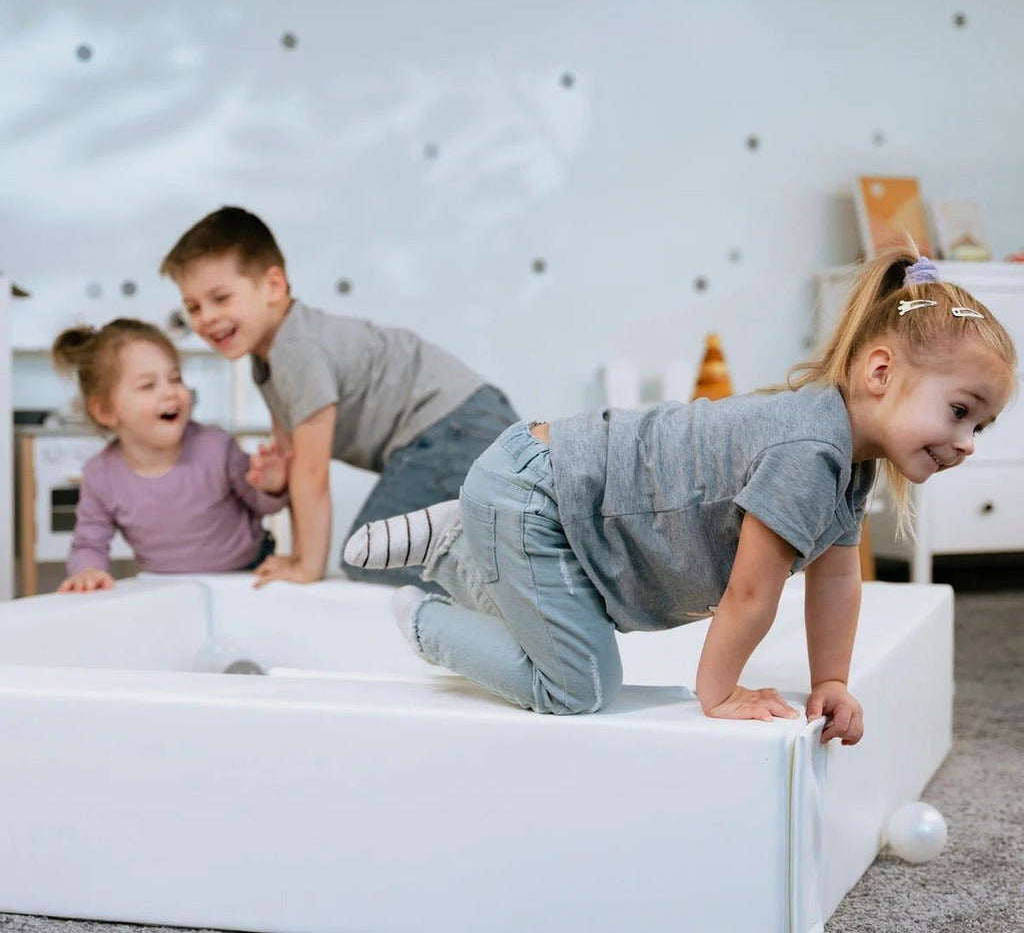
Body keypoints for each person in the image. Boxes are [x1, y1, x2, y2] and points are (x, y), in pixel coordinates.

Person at [344, 248, 1017, 739]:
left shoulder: (848, 462)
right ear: (879, 371)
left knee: (573, 631)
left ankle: (468, 542)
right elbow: (752, 592)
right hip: (535, 494)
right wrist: (718, 692)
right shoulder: (808, 450)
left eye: (981, 425)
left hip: (551, 501)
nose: (968, 443)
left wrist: (830, 682)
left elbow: (837, 580)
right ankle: (428, 618)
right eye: (960, 412)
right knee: (578, 688)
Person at [159, 206, 519, 590]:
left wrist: (306, 567)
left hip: (455, 426)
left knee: (372, 558)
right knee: (393, 553)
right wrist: (278, 481)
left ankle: (505, 593)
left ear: (274, 287)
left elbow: (312, 475)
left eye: (220, 298)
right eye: (194, 307)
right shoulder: (269, 362)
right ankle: (502, 573)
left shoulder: (298, 350)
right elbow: (296, 463)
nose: (207, 318)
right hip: (461, 424)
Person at [53, 319, 290, 593]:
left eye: (175, 378)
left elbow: (262, 505)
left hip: (247, 575)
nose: (170, 392)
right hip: (165, 587)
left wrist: (272, 486)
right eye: (148, 385)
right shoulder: (102, 475)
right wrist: (88, 571)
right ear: (105, 411)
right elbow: (89, 544)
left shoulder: (216, 446)